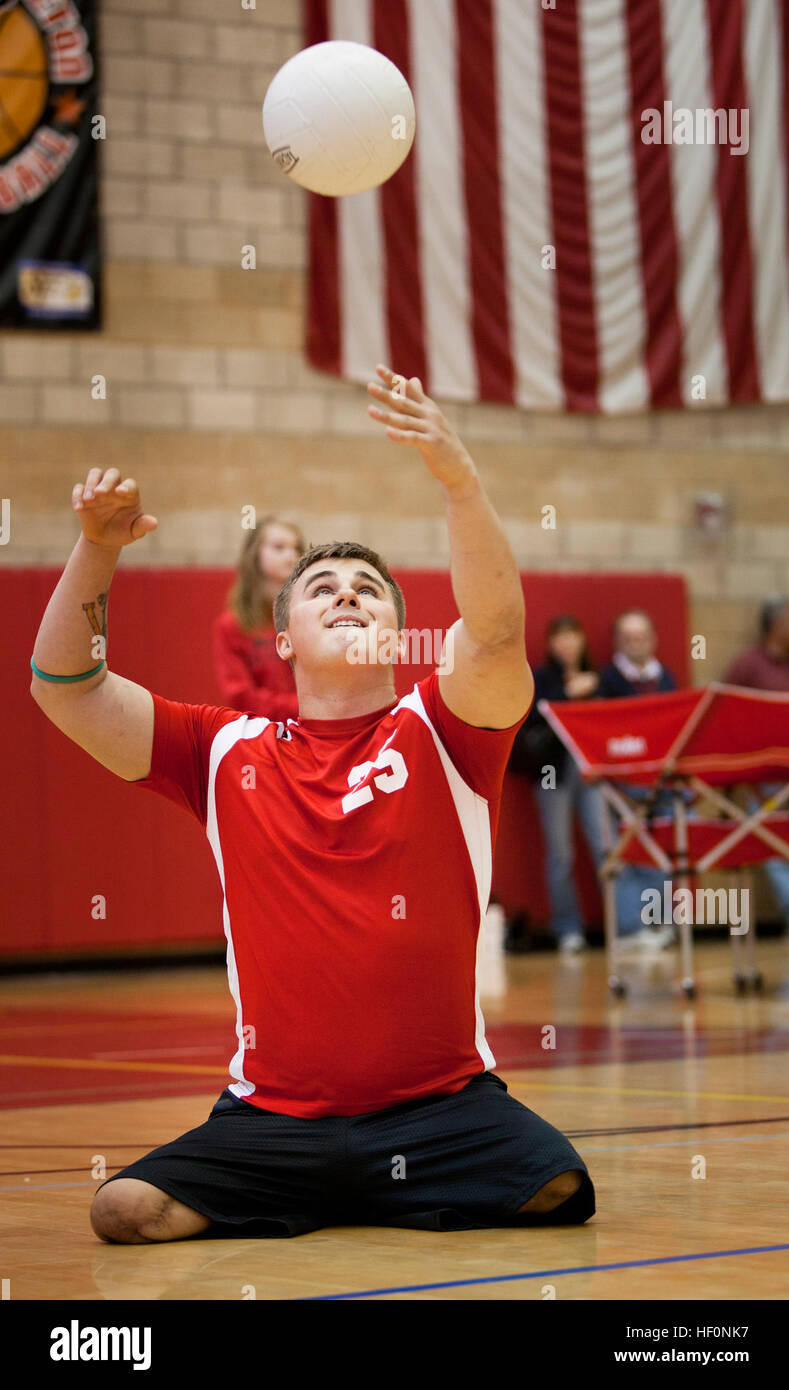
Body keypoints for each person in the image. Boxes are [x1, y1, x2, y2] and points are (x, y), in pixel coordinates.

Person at [30, 364, 595, 1242]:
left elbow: (490, 632)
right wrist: (97, 546)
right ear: (282, 639)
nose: (346, 595)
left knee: (558, 1186)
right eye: (321, 588)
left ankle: (349, 1189)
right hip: (274, 1120)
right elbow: (65, 686)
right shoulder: (222, 750)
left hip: (440, 1110)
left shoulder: (443, 728)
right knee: (122, 1209)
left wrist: (459, 481)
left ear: (399, 635)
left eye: (368, 590)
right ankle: (341, 1186)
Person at [510, 616, 603, 954]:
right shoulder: (541, 678)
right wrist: (567, 693)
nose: (566, 644)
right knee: (561, 852)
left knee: (606, 846)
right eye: (559, 638)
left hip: (591, 772)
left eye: (572, 636)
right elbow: (529, 718)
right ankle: (568, 929)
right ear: (551, 644)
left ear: (581, 640)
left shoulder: (597, 678)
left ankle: (627, 927)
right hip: (552, 772)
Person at [597, 608, 679, 949]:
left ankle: (662, 923)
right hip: (623, 780)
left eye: (641, 637)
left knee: (666, 850)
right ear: (619, 642)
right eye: (628, 638)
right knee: (626, 851)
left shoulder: (667, 678)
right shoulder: (608, 680)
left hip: (661, 777)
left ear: (653, 639)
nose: (636, 643)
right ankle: (632, 928)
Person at [725, 596, 789, 937]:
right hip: (765, 777)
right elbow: (723, 712)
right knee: (775, 843)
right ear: (776, 626)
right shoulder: (749, 665)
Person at [212, 516, 305, 719]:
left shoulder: (310, 615)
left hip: (313, 729)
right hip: (261, 732)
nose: (291, 555)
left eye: (296, 548)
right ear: (255, 555)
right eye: (279, 547)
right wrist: (307, 707)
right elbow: (241, 696)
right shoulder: (232, 625)